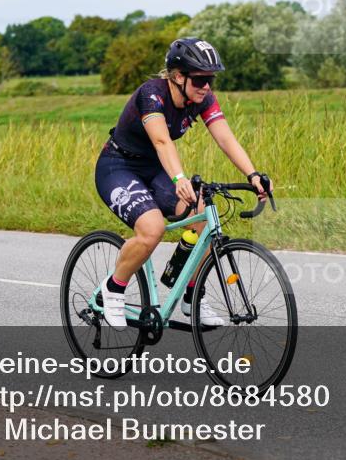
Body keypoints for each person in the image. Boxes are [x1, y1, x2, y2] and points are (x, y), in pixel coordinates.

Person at [94, 37, 273, 330]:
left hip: (154, 169)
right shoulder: (151, 95)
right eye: (201, 79)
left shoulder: (201, 99)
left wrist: (253, 174)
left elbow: (226, 139)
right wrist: (179, 179)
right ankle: (113, 289)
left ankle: (192, 294)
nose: (207, 86)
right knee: (152, 229)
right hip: (119, 166)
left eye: (210, 79)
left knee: (203, 218)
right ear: (178, 76)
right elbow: (162, 141)